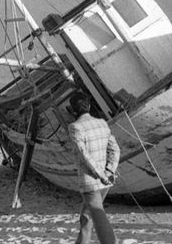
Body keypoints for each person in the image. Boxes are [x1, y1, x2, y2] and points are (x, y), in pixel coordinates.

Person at [68, 92, 121, 244]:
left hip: (91, 181)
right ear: (89, 106)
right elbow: (115, 149)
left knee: (98, 217)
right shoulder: (102, 123)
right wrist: (109, 171)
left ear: (72, 110)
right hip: (105, 181)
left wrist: (101, 175)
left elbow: (84, 155)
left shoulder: (75, 127)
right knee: (86, 217)